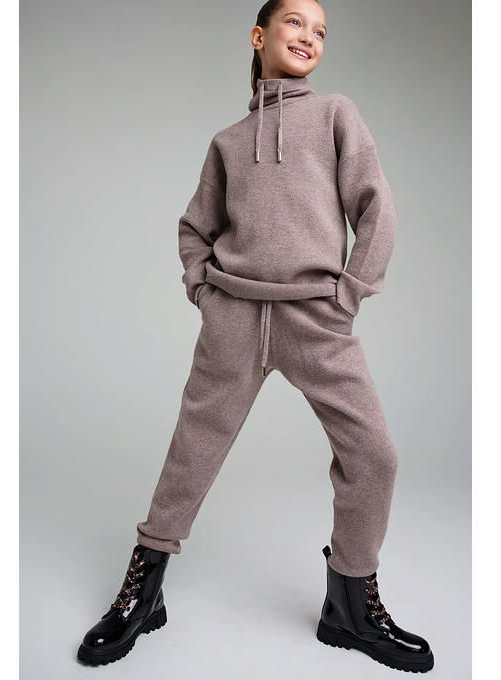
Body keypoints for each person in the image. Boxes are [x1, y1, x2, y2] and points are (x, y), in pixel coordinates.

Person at [77, 0, 434, 672]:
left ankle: (350, 605)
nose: (309, 36)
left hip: (316, 318)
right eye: (295, 22)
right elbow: (195, 227)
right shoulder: (228, 142)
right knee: (191, 453)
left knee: (373, 456)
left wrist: (350, 292)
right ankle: (142, 594)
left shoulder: (336, 115)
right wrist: (203, 289)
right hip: (235, 318)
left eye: (320, 31)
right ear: (259, 35)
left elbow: (376, 207)